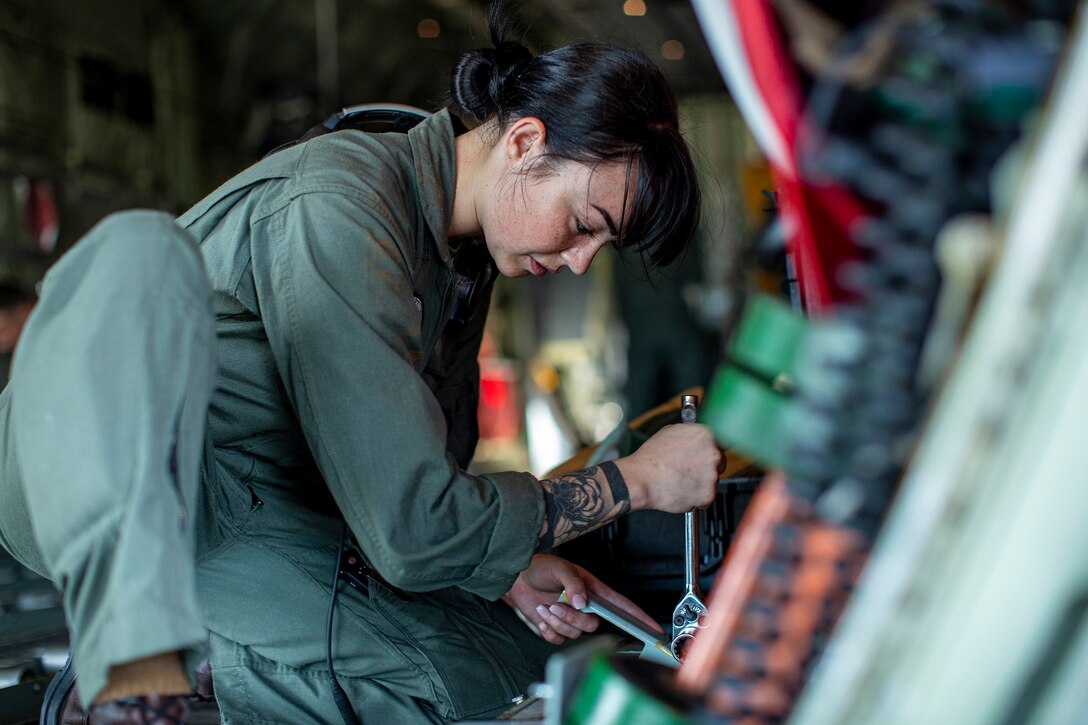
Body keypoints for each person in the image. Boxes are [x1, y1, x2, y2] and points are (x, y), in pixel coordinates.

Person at [0, 6, 720, 724]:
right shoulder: (342, 205)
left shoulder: (456, 258)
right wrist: (638, 479)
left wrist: (499, 566)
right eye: (584, 224)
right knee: (432, 686)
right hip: (157, 493)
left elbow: (407, 482)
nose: (579, 261)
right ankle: (144, 683)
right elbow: (413, 529)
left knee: (518, 662)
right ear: (526, 141)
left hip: (272, 499)